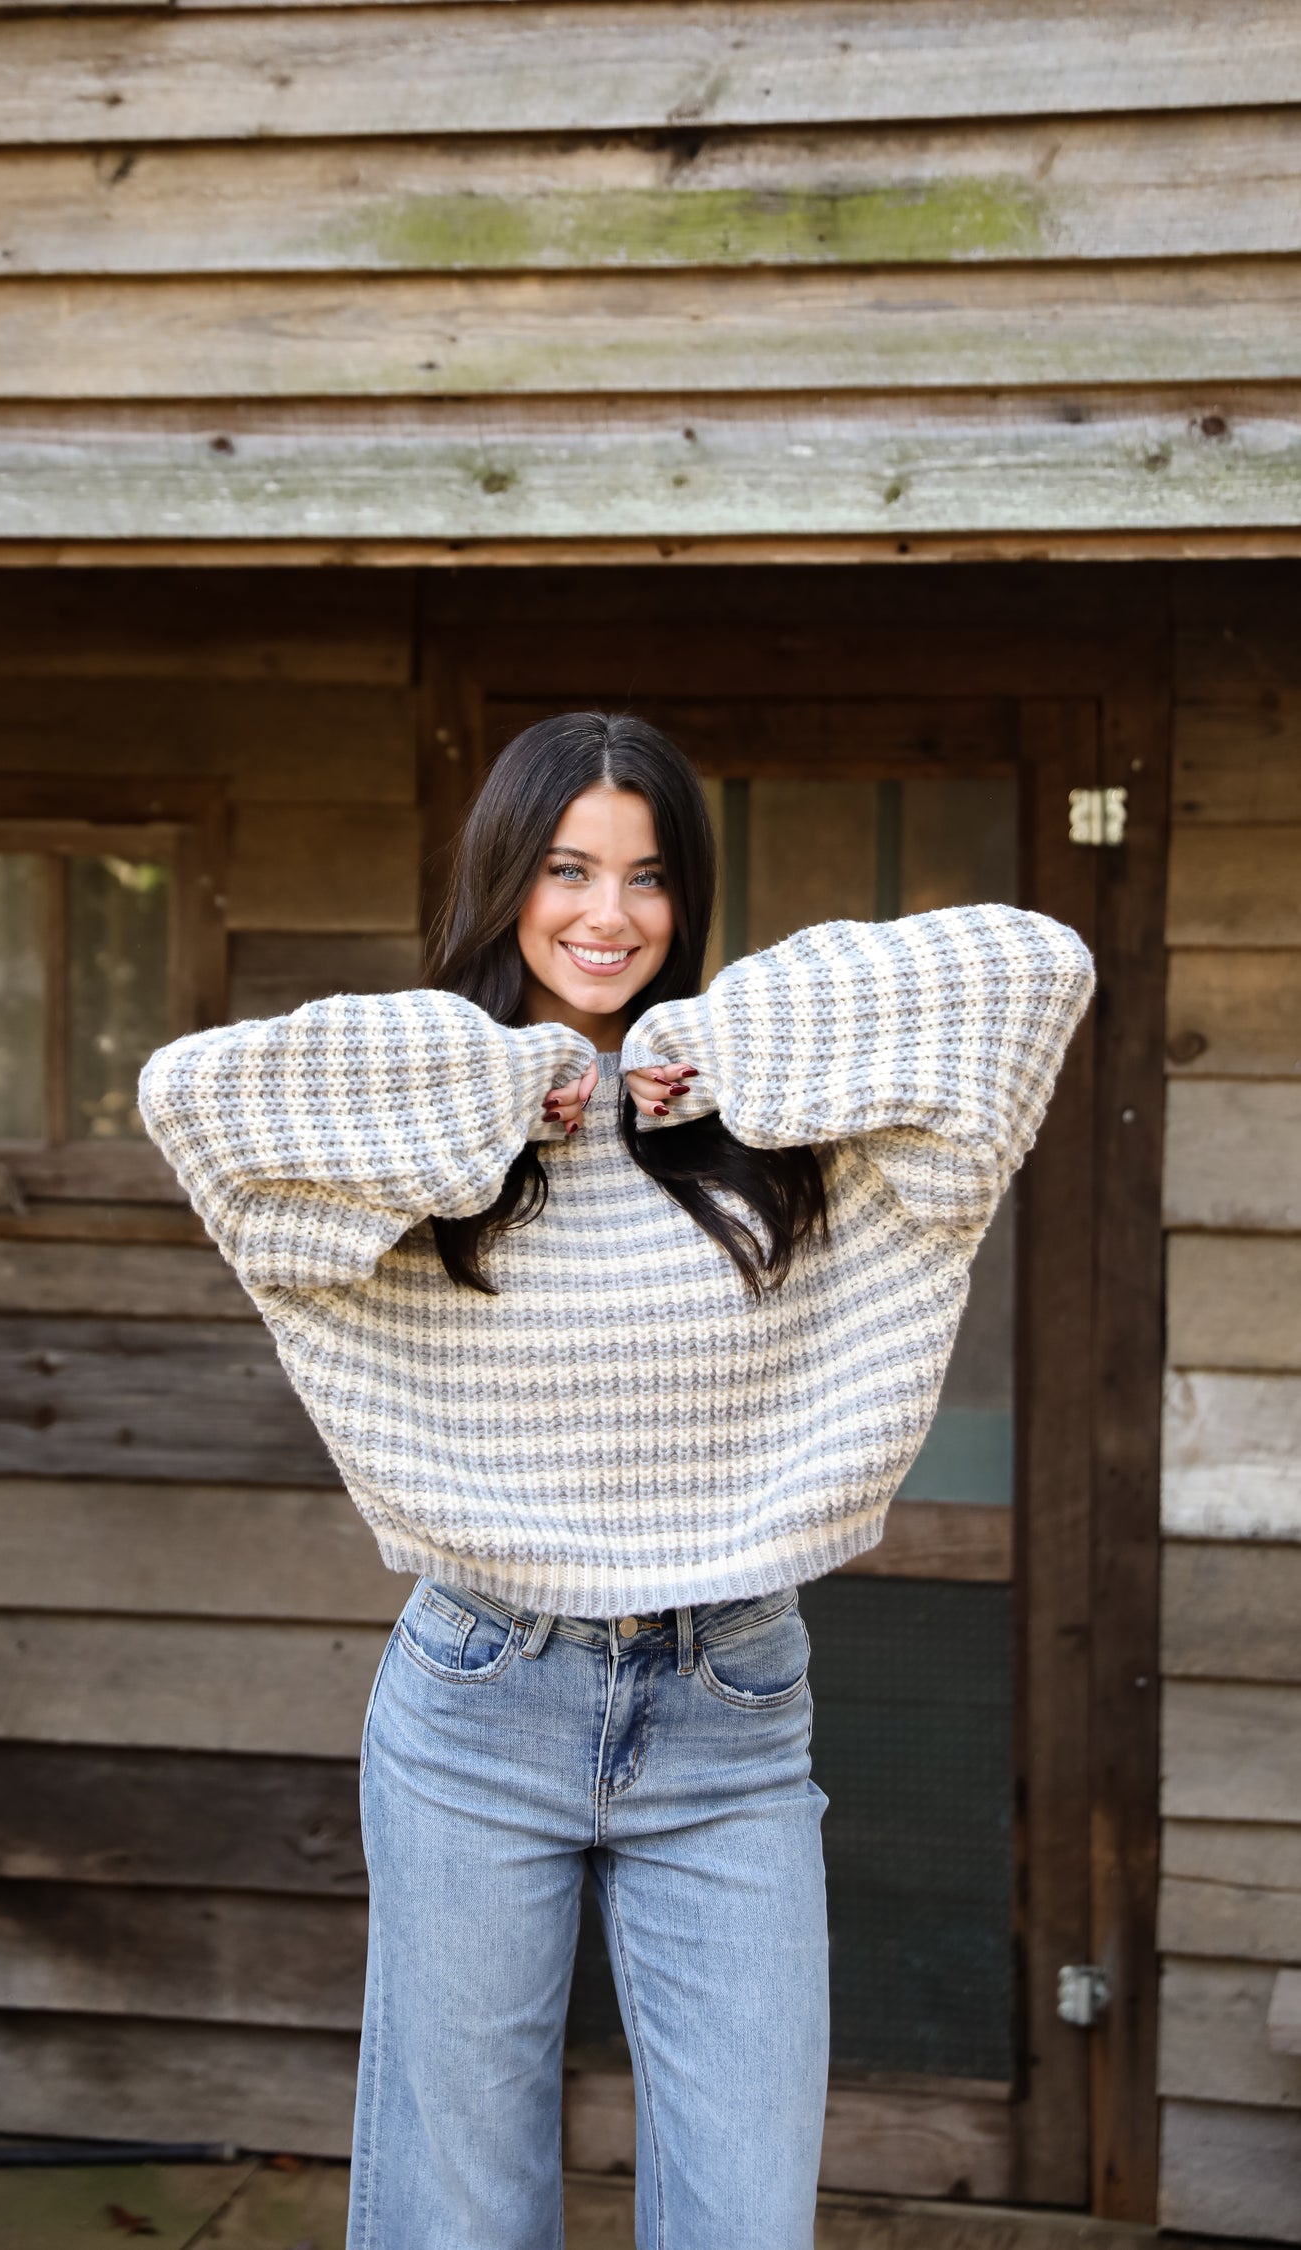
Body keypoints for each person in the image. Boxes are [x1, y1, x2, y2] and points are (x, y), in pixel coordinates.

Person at [139, 712, 1094, 2250]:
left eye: (649, 876)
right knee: (457, 2210)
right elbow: (192, 1096)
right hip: (478, 1693)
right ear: (504, 879)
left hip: (732, 1702)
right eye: (567, 867)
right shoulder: (425, 1103)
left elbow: (1042, 968)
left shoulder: (782, 1114)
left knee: (745, 2206)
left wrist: (727, 1048)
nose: (608, 914)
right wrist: (499, 1092)